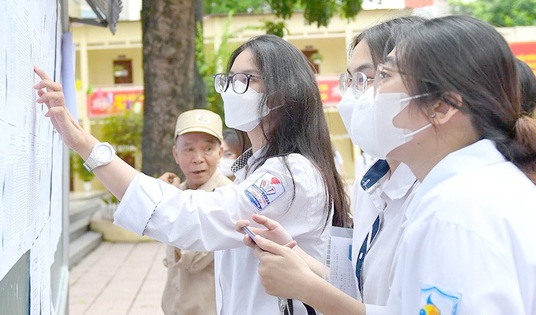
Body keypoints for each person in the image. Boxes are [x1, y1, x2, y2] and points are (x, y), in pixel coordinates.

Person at [34, 33, 350, 314]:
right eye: (228, 80)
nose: (231, 90)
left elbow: (190, 217)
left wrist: (88, 146)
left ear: (281, 93)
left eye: (246, 79)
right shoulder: (258, 168)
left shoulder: (288, 173)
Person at [244, 15, 536, 314]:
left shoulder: (456, 211)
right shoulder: (472, 191)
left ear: (442, 107)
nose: (367, 96)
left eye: (384, 76)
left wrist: (308, 287)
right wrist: (302, 266)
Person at [237, 14, 426, 311]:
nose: (350, 96)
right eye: (349, 80)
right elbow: (360, 289)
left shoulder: (437, 196)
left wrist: (306, 288)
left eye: (366, 78)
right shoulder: (372, 184)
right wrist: (294, 254)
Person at [157, 109, 232, 315]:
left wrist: (168, 205)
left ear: (220, 152)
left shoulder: (228, 198)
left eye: (208, 148)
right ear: (176, 154)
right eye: (188, 149)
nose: (198, 158)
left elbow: (193, 261)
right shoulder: (178, 193)